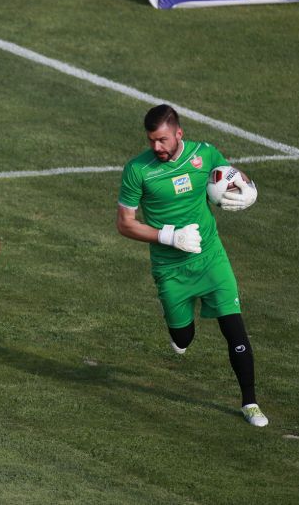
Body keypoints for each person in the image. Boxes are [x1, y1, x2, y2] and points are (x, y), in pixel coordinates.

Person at [116, 104, 267, 427]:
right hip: (170, 269)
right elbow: (125, 224)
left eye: (163, 140)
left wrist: (247, 190)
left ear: (179, 134)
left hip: (211, 257)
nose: (157, 147)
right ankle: (178, 327)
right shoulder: (138, 170)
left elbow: (229, 178)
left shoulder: (205, 154)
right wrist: (169, 236)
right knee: (183, 339)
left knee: (234, 328)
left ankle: (250, 402)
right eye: (151, 141)